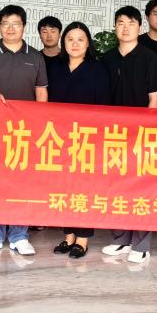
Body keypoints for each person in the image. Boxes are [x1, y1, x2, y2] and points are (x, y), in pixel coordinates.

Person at [0, 5, 47, 256]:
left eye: (15, 23)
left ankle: (19, 235)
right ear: (0, 27)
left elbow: (41, 94)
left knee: (22, 183)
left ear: (24, 27)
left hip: (25, 131)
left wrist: (40, 125)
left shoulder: (35, 56)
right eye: (5, 24)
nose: (10, 28)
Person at [100, 6, 157, 264]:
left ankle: (141, 244)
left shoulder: (150, 58)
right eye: (120, 23)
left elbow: (154, 99)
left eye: (131, 23)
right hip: (113, 134)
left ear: (140, 27)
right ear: (115, 27)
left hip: (141, 134)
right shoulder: (106, 59)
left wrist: (146, 132)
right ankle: (121, 239)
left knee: (141, 188)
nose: (125, 28)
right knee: (116, 187)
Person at [48, 21, 110, 259]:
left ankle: (82, 238)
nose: (75, 44)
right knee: (64, 186)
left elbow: (104, 106)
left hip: (87, 138)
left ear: (88, 43)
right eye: (70, 39)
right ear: (63, 42)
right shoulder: (55, 67)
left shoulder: (97, 69)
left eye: (80, 39)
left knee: (84, 188)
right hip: (59, 137)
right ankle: (68, 235)